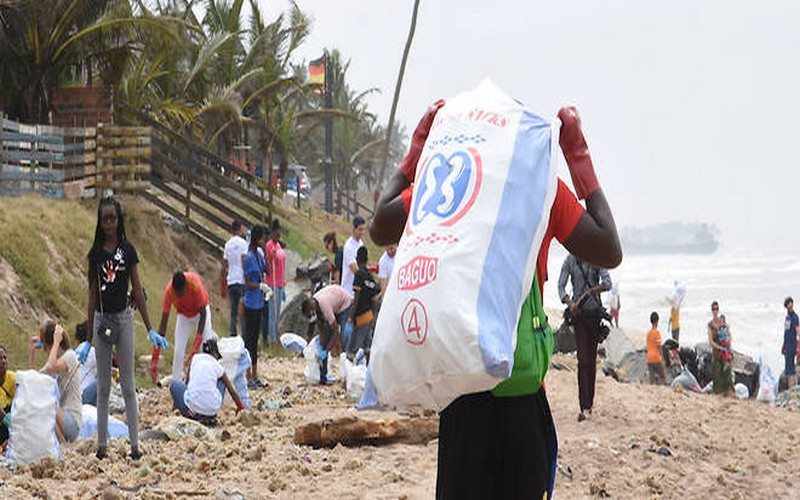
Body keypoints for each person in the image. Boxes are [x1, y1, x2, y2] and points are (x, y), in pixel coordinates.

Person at [370, 102, 621, 499]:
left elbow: (380, 225)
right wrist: (577, 154)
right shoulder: (541, 189)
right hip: (521, 388)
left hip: (463, 388)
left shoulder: (453, 181)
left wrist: (418, 149)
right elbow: (609, 248)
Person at [87, 196, 158, 460]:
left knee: (128, 386)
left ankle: (135, 445)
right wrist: (88, 338)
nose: (108, 224)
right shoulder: (95, 254)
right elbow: (92, 295)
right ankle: (102, 446)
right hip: (102, 321)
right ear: (100, 222)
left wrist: (150, 328)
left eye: (112, 219)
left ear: (118, 220)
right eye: (104, 219)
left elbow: (137, 289)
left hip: (124, 319)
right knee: (103, 386)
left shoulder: (128, 251)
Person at [558, 254, 612, 421]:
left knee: (591, 361)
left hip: (594, 315)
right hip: (579, 316)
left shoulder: (597, 256)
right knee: (583, 361)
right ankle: (584, 406)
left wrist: (592, 291)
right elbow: (560, 287)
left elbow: (608, 283)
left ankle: (589, 405)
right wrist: (571, 304)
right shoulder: (569, 260)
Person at [28, 321, 82, 444]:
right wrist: (32, 352)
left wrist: (56, 342)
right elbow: (34, 380)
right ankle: (62, 443)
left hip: (72, 422)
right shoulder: (53, 363)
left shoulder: (70, 356)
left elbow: (52, 366)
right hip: (60, 420)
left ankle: (63, 444)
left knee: (47, 402)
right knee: (40, 400)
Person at [169, 338, 245, 422]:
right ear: (215, 353)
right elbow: (232, 391)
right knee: (222, 380)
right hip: (212, 412)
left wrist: (176, 405)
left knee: (174, 384)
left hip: (192, 411)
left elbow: (187, 384)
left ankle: (191, 412)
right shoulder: (218, 366)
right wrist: (240, 407)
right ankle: (209, 415)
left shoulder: (195, 359)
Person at [157, 271, 213, 381]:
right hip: (184, 315)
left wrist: (198, 339)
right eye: (177, 293)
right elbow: (164, 321)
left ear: (186, 286)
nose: (179, 296)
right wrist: (156, 350)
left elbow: (203, 314)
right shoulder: (169, 292)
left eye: (181, 293)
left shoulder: (195, 284)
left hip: (200, 313)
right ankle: (176, 381)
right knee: (178, 350)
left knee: (206, 346)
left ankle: (207, 379)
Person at [300, 284, 353, 385]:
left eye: (310, 315)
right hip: (333, 300)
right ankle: (323, 377)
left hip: (344, 303)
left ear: (311, 310)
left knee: (343, 337)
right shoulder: (316, 307)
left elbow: (336, 330)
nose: (311, 317)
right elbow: (321, 327)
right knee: (325, 342)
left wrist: (327, 349)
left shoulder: (325, 307)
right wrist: (321, 344)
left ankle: (347, 373)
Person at [243, 225, 269, 388]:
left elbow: (267, 270)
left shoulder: (259, 255)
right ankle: (248, 375)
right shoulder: (249, 258)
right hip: (251, 302)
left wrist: (266, 253)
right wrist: (259, 286)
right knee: (250, 339)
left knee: (255, 339)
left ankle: (254, 373)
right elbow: (247, 282)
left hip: (259, 302)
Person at [348, 247, 380, 362]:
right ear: (366, 260)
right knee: (368, 346)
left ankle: (348, 370)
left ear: (357, 259)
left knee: (351, 349)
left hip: (361, 316)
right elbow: (374, 299)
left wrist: (351, 314)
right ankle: (369, 369)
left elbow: (356, 296)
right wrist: (373, 317)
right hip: (369, 316)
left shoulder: (359, 274)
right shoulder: (370, 276)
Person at [222, 219, 248, 337]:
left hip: (231, 279)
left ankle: (233, 334)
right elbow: (244, 260)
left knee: (233, 310)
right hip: (241, 279)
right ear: (240, 229)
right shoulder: (243, 243)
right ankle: (244, 336)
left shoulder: (228, 244)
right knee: (242, 310)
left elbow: (225, 263)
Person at [264, 219, 286, 346]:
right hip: (272, 283)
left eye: (279, 234)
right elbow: (268, 262)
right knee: (272, 312)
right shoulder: (269, 245)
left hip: (279, 283)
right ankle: (272, 339)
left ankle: (276, 336)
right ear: (272, 233)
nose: (278, 236)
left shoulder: (278, 246)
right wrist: (271, 256)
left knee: (277, 313)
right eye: (276, 234)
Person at [707, 301, 734, 397]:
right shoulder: (710, 325)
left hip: (725, 351)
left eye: (716, 309)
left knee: (728, 373)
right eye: (713, 309)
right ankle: (719, 394)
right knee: (717, 375)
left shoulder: (722, 322)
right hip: (716, 352)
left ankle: (730, 394)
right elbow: (710, 341)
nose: (715, 311)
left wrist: (728, 344)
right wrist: (720, 347)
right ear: (711, 311)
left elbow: (729, 334)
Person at [342, 215, 367, 297]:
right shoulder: (349, 246)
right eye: (360, 229)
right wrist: (367, 278)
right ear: (353, 229)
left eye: (363, 229)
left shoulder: (361, 243)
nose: (362, 232)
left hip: (358, 290)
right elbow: (355, 269)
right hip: (348, 291)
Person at [74, 321, 98, 405]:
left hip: (74, 396)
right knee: (102, 382)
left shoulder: (78, 349)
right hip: (82, 396)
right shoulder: (92, 351)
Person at [782, 296, 799, 388]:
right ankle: (793, 388)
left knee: (791, 369)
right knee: (789, 368)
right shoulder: (787, 317)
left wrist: (798, 346)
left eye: (791, 303)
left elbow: (798, 331)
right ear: (786, 306)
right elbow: (786, 332)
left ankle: (792, 388)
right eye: (788, 304)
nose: (790, 305)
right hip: (787, 344)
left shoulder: (795, 317)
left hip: (792, 345)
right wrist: (783, 345)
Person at [0, 346, 15, 447]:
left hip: (8, 422)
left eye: (5, 358)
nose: (3, 361)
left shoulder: (12, 377)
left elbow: (22, 399)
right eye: (0, 359)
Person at [646, 312, 666, 385]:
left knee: (652, 379)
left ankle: (653, 386)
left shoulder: (648, 333)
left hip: (649, 358)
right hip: (656, 358)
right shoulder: (657, 333)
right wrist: (663, 359)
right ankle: (660, 387)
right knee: (663, 376)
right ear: (657, 321)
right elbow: (659, 347)